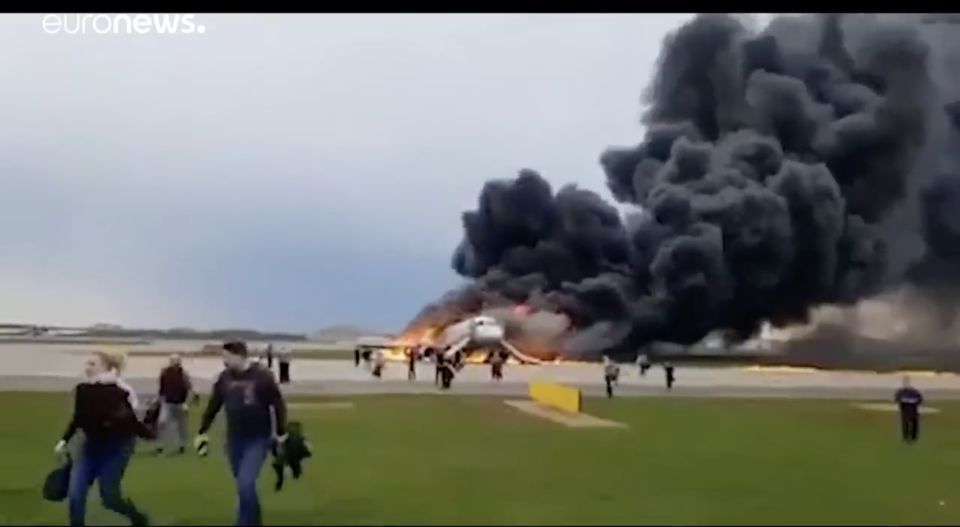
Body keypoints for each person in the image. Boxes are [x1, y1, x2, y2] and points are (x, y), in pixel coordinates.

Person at [194, 341, 288, 527]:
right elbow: (214, 405)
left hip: (258, 438)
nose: (224, 360)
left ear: (239, 355)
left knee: (245, 483)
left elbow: (278, 404)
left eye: (226, 357)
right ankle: (255, 520)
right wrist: (202, 431)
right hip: (234, 439)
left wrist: (280, 432)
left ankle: (243, 522)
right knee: (244, 486)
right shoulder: (224, 378)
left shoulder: (262, 376)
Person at [56, 351, 154, 526]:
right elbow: (79, 417)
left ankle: (138, 518)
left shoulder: (122, 391)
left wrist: (148, 434)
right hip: (90, 445)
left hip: (117, 446)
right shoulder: (82, 389)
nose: (87, 367)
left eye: (92, 364)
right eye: (86, 363)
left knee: (109, 497)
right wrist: (64, 441)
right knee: (75, 494)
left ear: (106, 367)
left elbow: (131, 421)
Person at [156, 354, 193, 455]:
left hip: (180, 403)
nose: (174, 363)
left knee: (181, 426)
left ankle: (182, 444)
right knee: (161, 422)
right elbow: (162, 388)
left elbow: (189, 389)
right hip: (167, 403)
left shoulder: (184, 375)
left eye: (176, 361)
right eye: (172, 361)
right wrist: (160, 400)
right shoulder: (165, 373)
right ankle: (160, 445)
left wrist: (187, 403)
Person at [895, 375, 924, 443]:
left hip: (910, 410)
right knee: (908, 424)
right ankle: (909, 437)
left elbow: (919, 399)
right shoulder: (903, 392)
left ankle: (910, 437)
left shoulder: (905, 392)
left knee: (911, 424)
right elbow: (897, 399)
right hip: (908, 410)